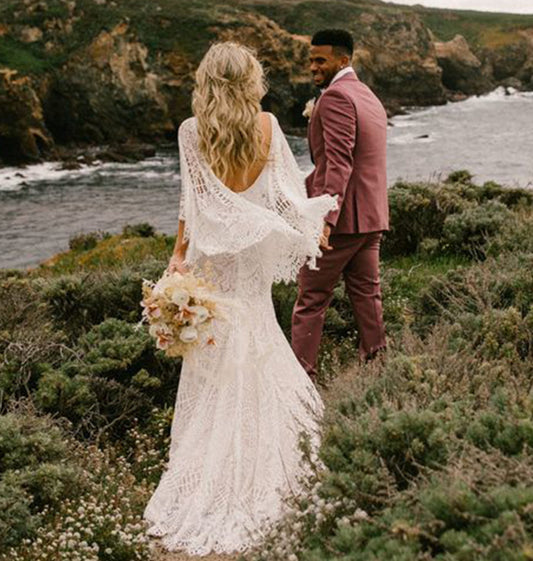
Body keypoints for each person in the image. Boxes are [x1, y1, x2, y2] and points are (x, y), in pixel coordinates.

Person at [142, 42, 337, 556]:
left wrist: (178, 258)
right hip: (248, 257)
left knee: (212, 357)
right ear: (253, 79)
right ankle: (268, 454)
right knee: (257, 335)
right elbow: (287, 191)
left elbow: (192, 201)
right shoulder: (268, 126)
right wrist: (307, 226)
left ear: (206, 81)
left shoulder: (191, 130)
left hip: (211, 256)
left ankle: (216, 464)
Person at [292, 29, 389, 384]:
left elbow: (339, 162)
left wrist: (325, 220)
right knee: (367, 295)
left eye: (321, 60)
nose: (313, 66)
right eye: (311, 59)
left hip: (343, 219)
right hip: (372, 216)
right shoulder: (367, 96)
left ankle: (302, 381)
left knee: (311, 299)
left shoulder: (334, 98)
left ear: (343, 60)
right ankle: (379, 370)